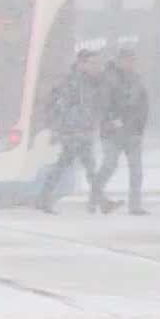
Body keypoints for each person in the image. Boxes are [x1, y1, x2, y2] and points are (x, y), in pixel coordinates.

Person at [37, 49, 112, 213]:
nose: (96, 66)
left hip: (83, 130)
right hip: (73, 130)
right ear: (81, 64)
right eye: (92, 63)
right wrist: (66, 126)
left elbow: (97, 104)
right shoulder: (71, 82)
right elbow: (62, 106)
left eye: (97, 63)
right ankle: (102, 201)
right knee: (86, 166)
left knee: (66, 165)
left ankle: (44, 197)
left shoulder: (92, 82)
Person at [94, 47, 151, 215]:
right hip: (113, 131)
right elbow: (102, 104)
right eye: (127, 60)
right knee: (109, 165)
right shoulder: (108, 79)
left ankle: (135, 205)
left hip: (132, 131)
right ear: (119, 61)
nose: (130, 64)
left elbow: (143, 104)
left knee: (136, 170)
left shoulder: (136, 80)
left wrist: (140, 126)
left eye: (132, 60)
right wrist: (112, 119)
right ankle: (95, 194)